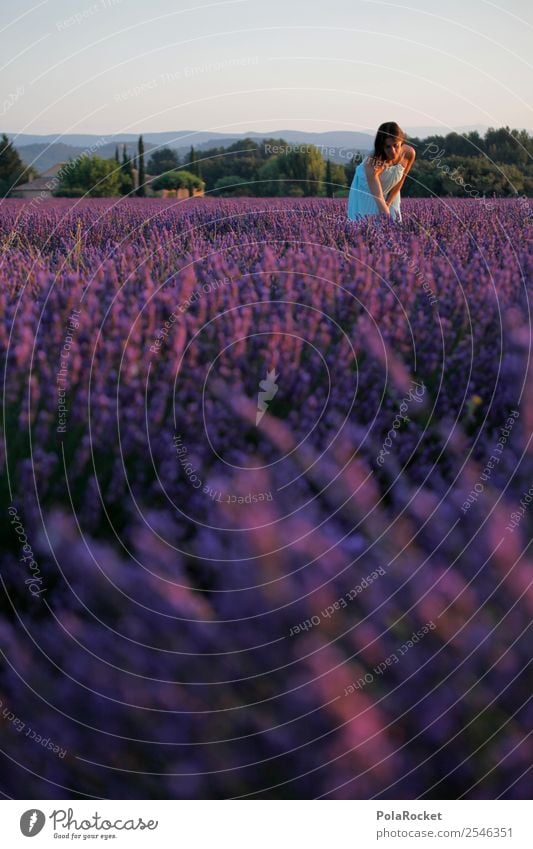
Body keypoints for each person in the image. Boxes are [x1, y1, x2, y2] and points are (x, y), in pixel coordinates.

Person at [347, 122, 416, 222]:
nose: (392, 151)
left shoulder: (409, 154)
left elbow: (400, 181)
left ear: (401, 142)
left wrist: (388, 204)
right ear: (381, 146)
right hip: (367, 191)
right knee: (367, 226)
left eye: (395, 145)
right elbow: (378, 196)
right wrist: (387, 218)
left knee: (394, 224)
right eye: (387, 147)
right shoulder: (372, 162)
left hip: (390, 189)